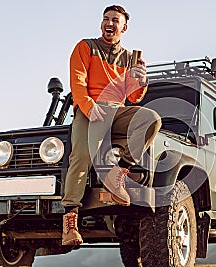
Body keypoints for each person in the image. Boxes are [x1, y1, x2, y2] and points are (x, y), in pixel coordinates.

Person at [61, 5, 161, 246]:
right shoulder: (85, 47)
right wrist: (87, 105)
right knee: (82, 156)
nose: (109, 23)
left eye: (115, 20)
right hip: (90, 109)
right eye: (106, 19)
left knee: (151, 119)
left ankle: (120, 172)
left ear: (124, 27)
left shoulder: (129, 58)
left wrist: (142, 81)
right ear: (101, 24)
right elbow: (77, 80)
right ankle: (70, 221)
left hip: (116, 110)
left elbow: (133, 97)